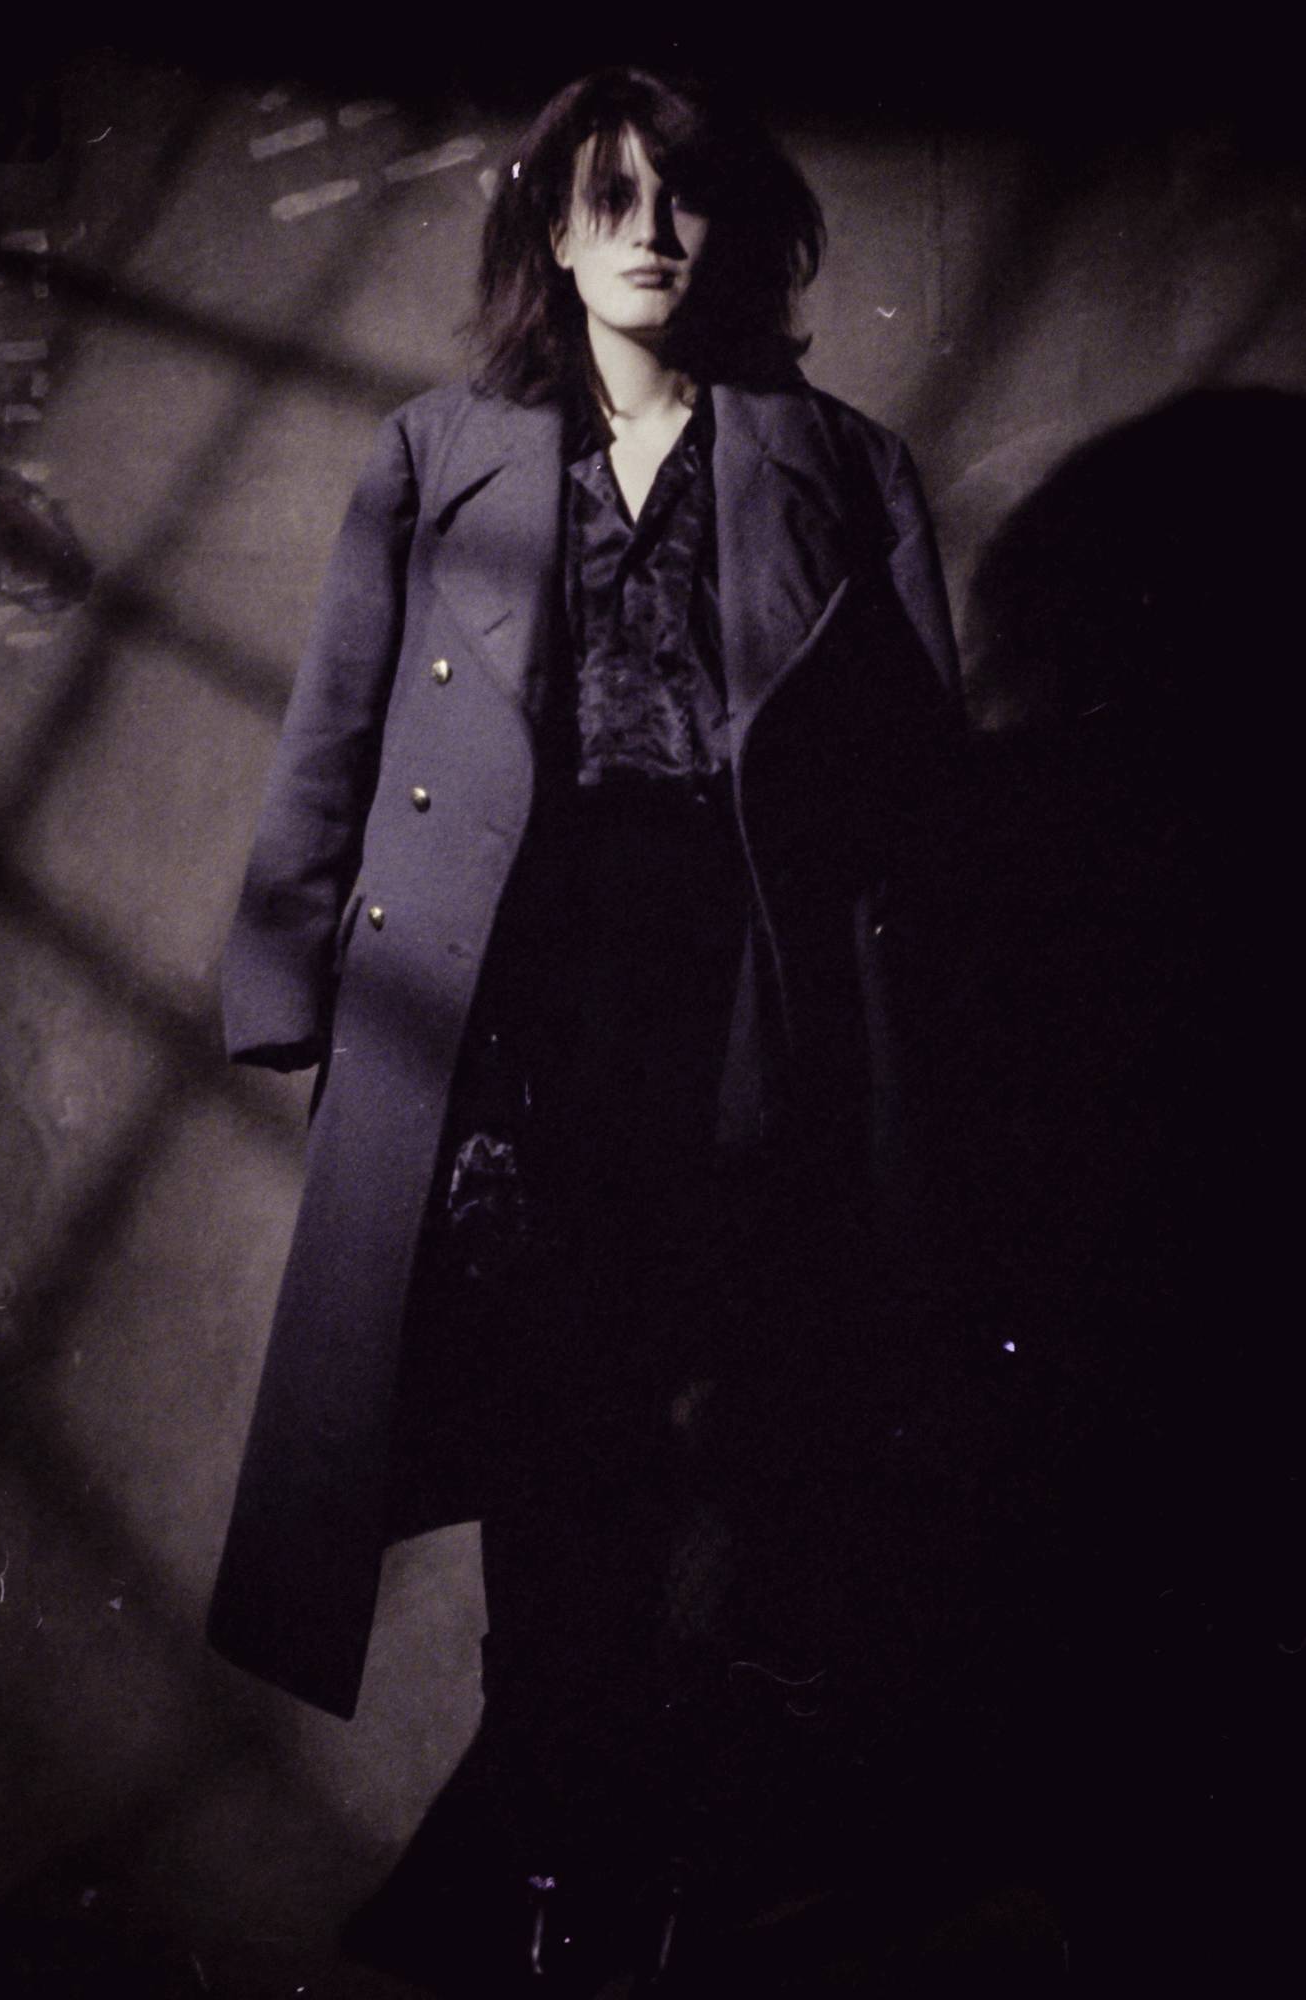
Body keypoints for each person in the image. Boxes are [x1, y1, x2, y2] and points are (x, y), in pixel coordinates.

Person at [210, 65, 962, 1989]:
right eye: (609, 198)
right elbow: (337, 727)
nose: (651, 232)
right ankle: (557, 1853)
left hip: (750, 1000)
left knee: (736, 1429)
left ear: (737, 229)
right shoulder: (434, 453)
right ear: (552, 230)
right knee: (552, 1435)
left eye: (683, 197)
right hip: (511, 1016)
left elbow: (923, 795)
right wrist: (284, 981)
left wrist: (912, 1032)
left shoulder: (839, 461)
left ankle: (655, 1861)